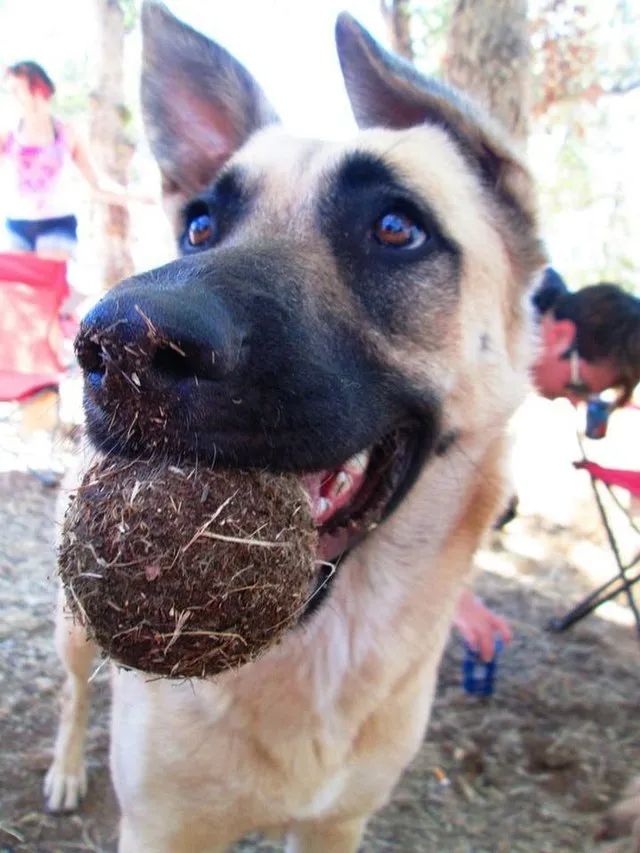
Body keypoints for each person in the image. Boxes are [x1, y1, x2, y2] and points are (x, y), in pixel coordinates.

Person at [453, 268, 640, 660]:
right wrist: (454, 594)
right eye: (580, 387)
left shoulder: (525, 313)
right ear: (560, 336)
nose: (575, 401)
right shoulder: (478, 321)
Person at [0, 60, 148, 262]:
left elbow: (95, 186)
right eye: (10, 91)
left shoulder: (66, 134)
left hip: (57, 225)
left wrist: (135, 198)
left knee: (48, 282)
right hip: (16, 225)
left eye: (18, 90)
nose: (14, 97)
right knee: (13, 290)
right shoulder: (7, 136)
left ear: (39, 90)